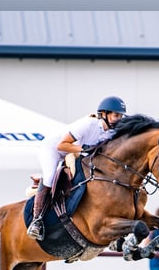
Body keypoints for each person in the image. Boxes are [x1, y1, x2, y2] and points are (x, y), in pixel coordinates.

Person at [27, 96, 127, 240]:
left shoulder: (112, 132)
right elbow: (61, 145)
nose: (119, 119)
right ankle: (37, 220)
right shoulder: (88, 124)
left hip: (74, 153)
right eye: (116, 115)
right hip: (53, 149)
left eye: (121, 116)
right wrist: (83, 149)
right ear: (104, 114)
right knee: (49, 177)